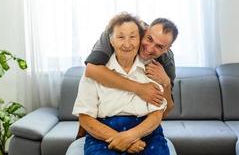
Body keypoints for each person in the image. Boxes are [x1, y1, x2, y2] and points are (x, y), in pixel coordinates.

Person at [73, 13, 170, 154]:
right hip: (104, 134)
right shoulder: (94, 72)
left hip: (145, 133)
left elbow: (156, 115)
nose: (127, 44)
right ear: (111, 41)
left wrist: (130, 136)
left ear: (140, 40)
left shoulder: (153, 70)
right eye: (120, 37)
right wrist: (120, 139)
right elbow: (85, 118)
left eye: (132, 37)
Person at [85, 16, 178, 117]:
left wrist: (167, 83)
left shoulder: (167, 59)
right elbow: (91, 69)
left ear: (167, 49)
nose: (150, 49)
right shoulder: (117, 32)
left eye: (159, 46)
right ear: (145, 30)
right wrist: (140, 89)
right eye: (149, 39)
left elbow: (165, 112)